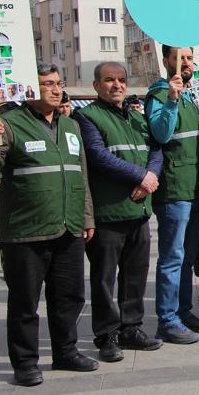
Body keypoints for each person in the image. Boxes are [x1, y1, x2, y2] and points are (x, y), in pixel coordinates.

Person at [0, 63, 98, 386]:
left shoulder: (71, 125)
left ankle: (66, 352)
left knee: (69, 296)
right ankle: (25, 362)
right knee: (25, 301)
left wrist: (86, 216)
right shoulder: (9, 123)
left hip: (69, 226)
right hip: (26, 230)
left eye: (57, 82)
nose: (55, 88)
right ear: (29, 90)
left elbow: (81, 175)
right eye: (47, 84)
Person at [73, 62, 163, 362]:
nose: (117, 85)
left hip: (138, 210)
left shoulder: (137, 117)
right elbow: (98, 156)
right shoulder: (87, 117)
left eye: (122, 80)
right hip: (109, 213)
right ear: (96, 85)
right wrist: (140, 176)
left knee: (135, 276)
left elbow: (156, 149)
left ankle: (131, 328)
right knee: (104, 279)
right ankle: (106, 335)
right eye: (109, 80)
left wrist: (150, 177)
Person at [145, 46, 199, 344]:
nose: (186, 63)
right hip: (174, 190)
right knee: (172, 257)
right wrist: (172, 100)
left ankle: (183, 312)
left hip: (194, 187)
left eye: (189, 58)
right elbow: (161, 134)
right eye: (179, 58)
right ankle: (167, 320)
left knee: (186, 257)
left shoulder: (189, 95)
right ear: (166, 61)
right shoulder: (160, 94)